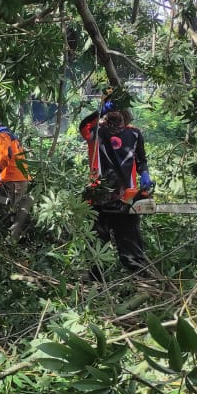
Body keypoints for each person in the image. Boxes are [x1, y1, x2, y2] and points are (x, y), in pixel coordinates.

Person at [78, 102, 156, 277]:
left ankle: (140, 279)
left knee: (130, 244)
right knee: (98, 244)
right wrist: (99, 111)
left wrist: (145, 174)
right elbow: (83, 126)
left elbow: (141, 159)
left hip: (125, 197)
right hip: (98, 196)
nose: (114, 115)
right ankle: (96, 280)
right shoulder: (96, 132)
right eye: (110, 111)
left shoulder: (134, 133)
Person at [0, 118, 32, 240]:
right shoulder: (10, 135)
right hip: (19, 178)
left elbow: (4, 157)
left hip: (13, 179)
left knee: (1, 205)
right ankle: (10, 238)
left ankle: (5, 239)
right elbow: (8, 152)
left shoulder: (1, 135)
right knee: (10, 208)